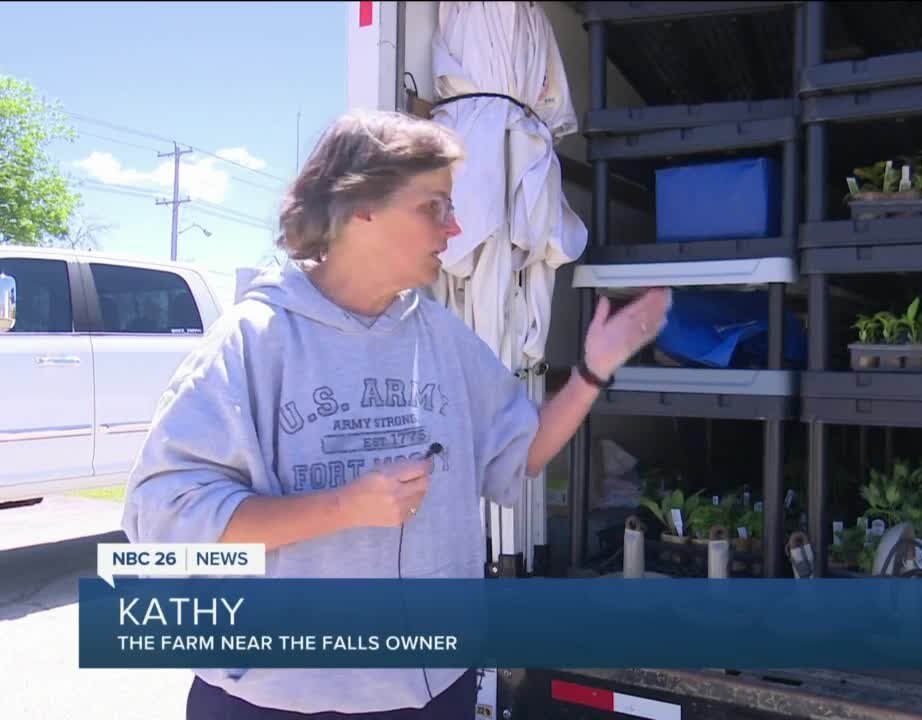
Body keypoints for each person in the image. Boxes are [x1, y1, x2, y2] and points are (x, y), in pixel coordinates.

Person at [120, 109, 672, 719]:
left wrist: (594, 370)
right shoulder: (251, 341)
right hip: (278, 699)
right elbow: (163, 525)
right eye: (433, 206)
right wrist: (342, 508)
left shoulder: (443, 337)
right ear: (362, 207)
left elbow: (520, 453)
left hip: (435, 690)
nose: (455, 227)